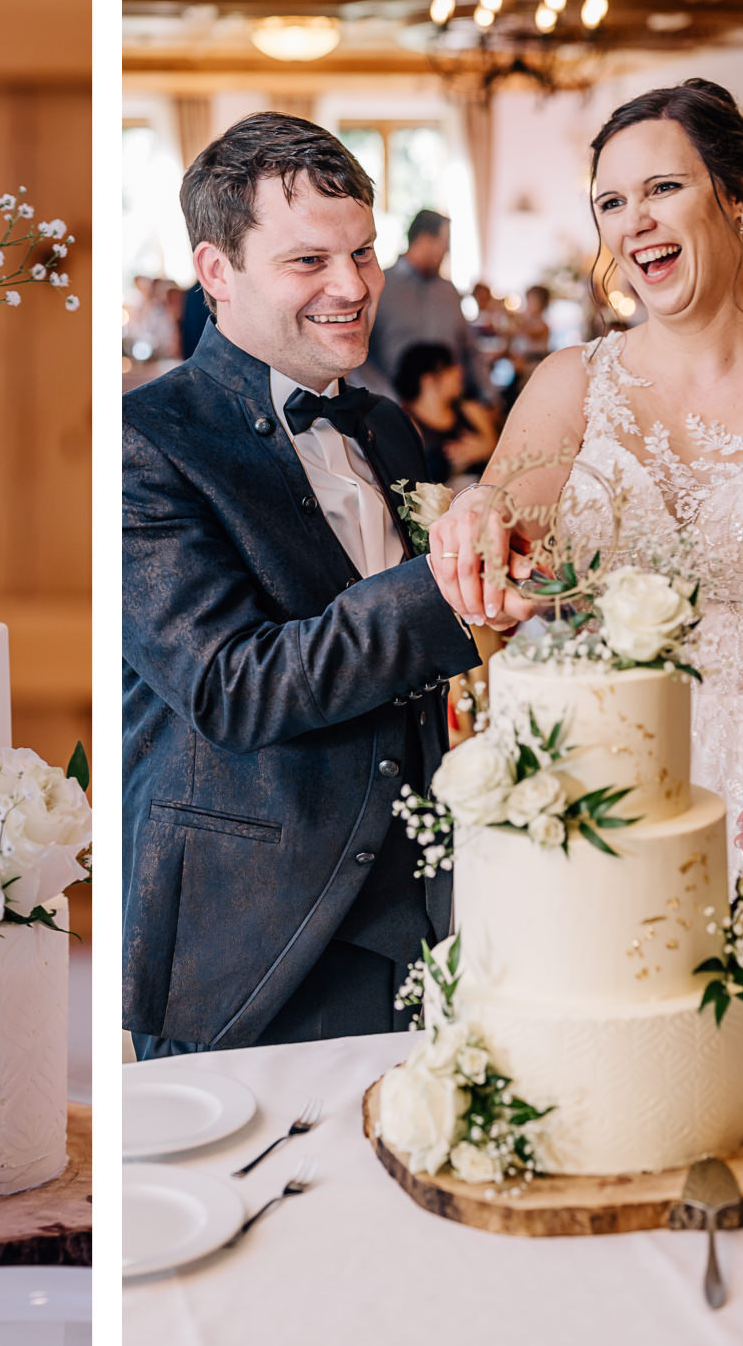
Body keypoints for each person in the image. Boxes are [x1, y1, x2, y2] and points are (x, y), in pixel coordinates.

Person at [122, 113, 536, 1058]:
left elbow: (407, 659)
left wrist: (488, 608)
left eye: (363, 254)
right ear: (217, 272)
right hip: (256, 931)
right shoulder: (145, 444)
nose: (352, 289)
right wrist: (442, 598)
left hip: (426, 893)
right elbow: (233, 684)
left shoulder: (389, 428)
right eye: (308, 262)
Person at [430, 77, 743, 986]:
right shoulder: (571, 384)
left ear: (737, 193)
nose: (633, 222)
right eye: (612, 202)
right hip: (608, 787)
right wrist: (473, 529)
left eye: (662, 188)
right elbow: (501, 556)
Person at [367, 209, 480, 401]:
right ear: (425, 239)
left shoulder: (448, 291)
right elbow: (364, 358)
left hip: (449, 405)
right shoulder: (380, 286)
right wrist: (389, 402)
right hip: (394, 403)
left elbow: (469, 350)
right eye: (445, 244)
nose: (447, 252)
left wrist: (487, 398)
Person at [392, 340, 498, 485]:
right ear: (428, 380)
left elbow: (500, 451)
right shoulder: (407, 423)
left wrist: (484, 450)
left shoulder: (471, 410)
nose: (459, 372)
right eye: (450, 367)